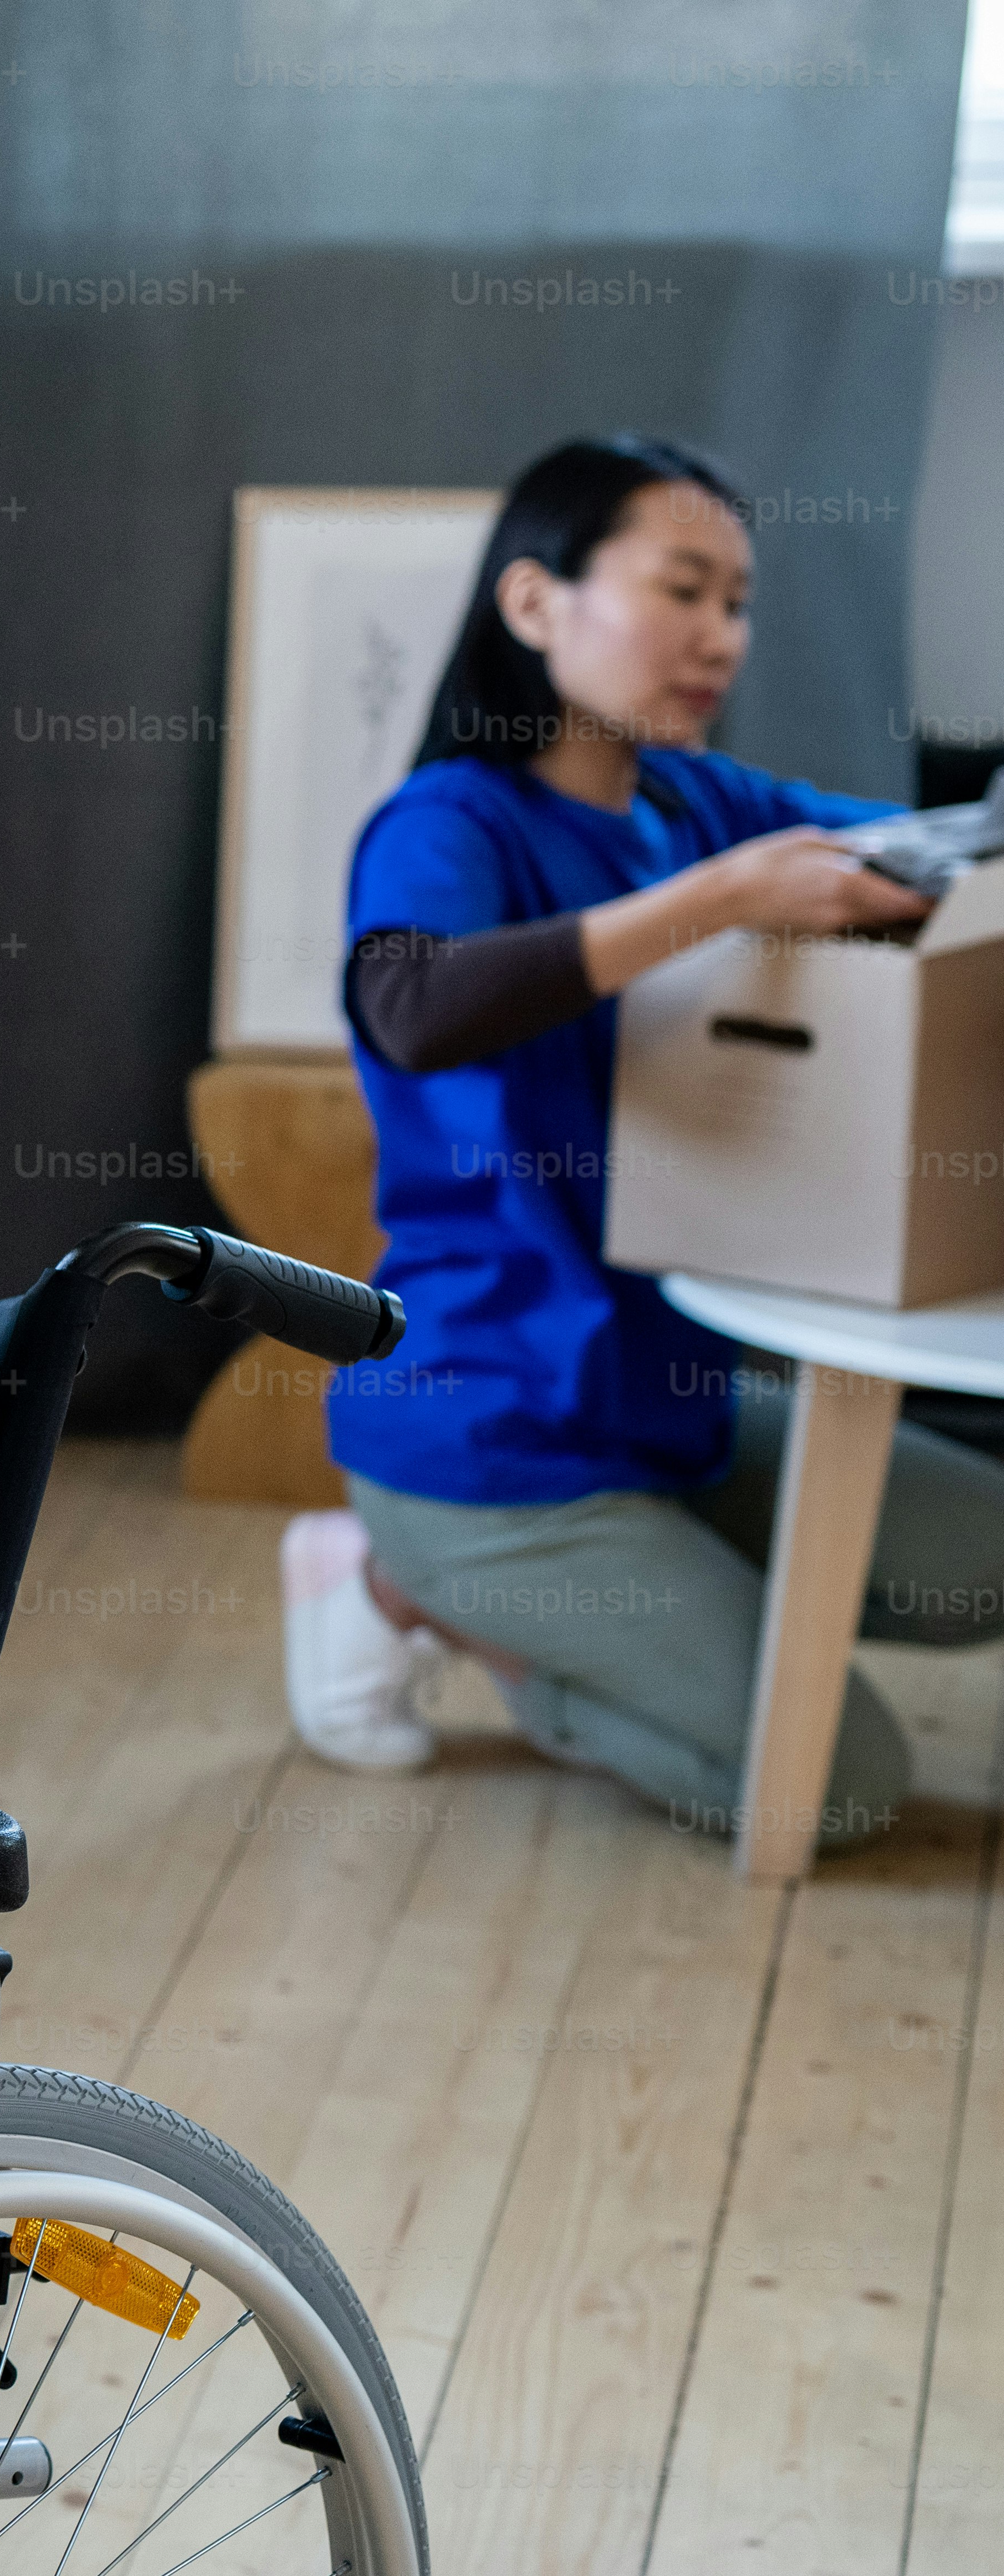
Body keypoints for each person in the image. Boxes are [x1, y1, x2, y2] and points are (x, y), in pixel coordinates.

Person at [285, 432, 1004, 1839]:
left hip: (667, 1390)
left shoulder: (697, 802)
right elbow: (411, 1001)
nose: (718, 637)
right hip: (485, 1430)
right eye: (681, 588)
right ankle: (407, 1588)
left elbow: (930, 851)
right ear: (535, 600)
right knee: (839, 1785)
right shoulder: (452, 821)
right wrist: (722, 899)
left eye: (737, 602)